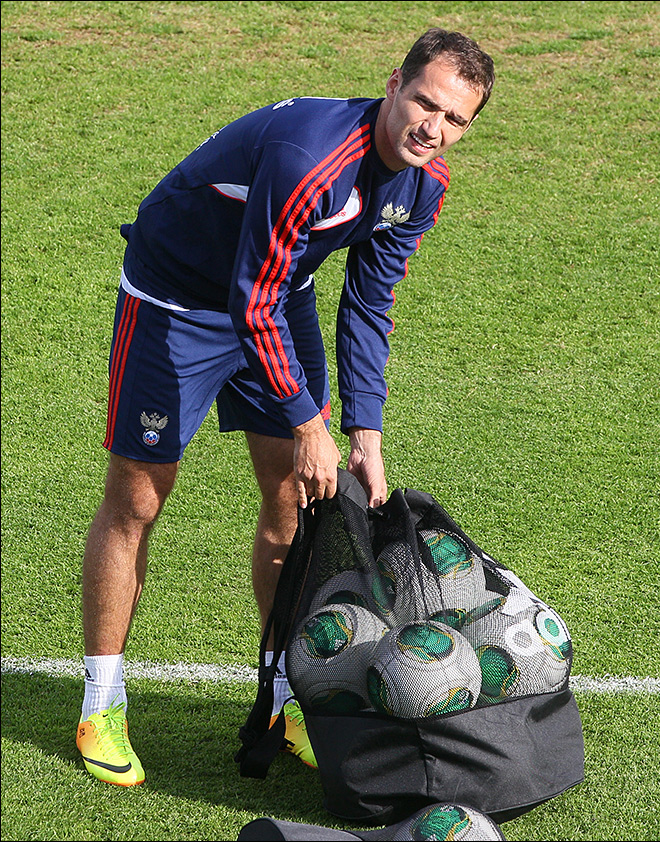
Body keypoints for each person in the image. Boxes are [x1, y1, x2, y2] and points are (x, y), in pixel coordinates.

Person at [75, 28, 495, 785]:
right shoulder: (311, 160)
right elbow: (250, 298)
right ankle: (100, 702)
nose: (433, 128)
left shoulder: (422, 186)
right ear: (394, 84)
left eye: (456, 119)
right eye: (426, 103)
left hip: (275, 295)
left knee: (296, 497)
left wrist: (363, 431)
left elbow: (368, 304)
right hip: (177, 299)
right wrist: (308, 423)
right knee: (137, 498)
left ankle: (280, 695)